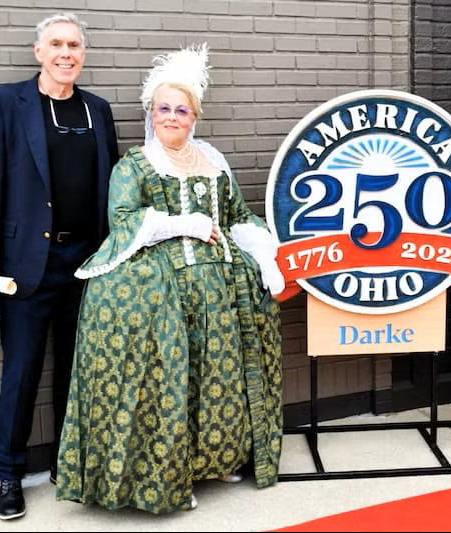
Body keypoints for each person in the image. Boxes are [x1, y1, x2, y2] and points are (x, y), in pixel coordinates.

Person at [55, 44, 285, 514]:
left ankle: (216, 461)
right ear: (151, 113)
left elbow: (237, 215)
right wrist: (184, 224)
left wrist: (266, 256)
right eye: (164, 109)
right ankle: (174, 475)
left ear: (194, 116)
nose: (172, 117)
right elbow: (123, 221)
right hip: (163, 293)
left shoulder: (212, 161)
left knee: (217, 377)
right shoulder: (135, 165)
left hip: (221, 292)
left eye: (182, 110)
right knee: (174, 383)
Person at [0, 13, 119, 520]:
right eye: (56, 44)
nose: (65, 53)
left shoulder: (97, 110)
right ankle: (8, 474)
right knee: (22, 371)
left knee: (75, 369)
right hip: (26, 265)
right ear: (38, 52)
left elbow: (111, 189)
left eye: (73, 45)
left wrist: (115, 253)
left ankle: (64, 464)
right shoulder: (6, 103)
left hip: (86, 261)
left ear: (83, 54)